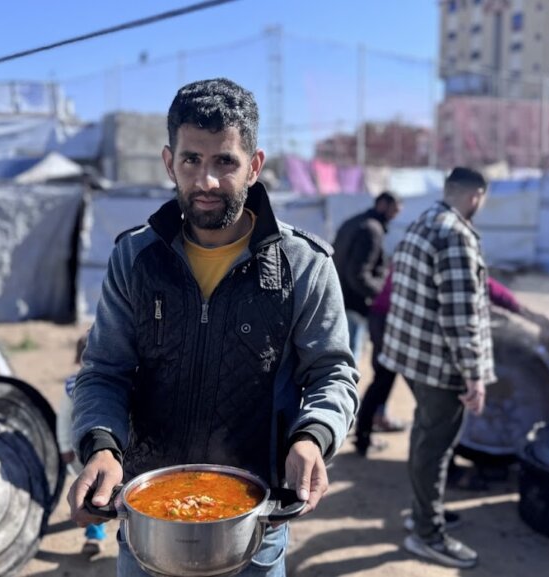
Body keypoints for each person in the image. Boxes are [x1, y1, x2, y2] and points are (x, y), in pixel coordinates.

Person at [66, 78, 359, 577]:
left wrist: (313, 437)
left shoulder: (305, 265)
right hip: (148, 519)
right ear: (169, 163)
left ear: (254, 165)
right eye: (191, 160)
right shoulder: (134, 258)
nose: (206, 181)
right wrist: (101, 445)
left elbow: (332, 373)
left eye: (225, 161)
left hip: (255, 524)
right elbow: (104, 370)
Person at [379, 166, 495, 569]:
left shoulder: (423, 221)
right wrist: (474, 374)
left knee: (426, 438)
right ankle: (427, 533)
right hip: (441, 366)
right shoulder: (456, 235)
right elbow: (460, 317)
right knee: (436, 447)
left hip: (414, 356)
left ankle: (423, 513)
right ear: (476, 195)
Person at [355, 273, 549, 457]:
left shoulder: (418, 253)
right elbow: (483, 288)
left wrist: (524, 313)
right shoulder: (448, 260)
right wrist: (524, 313)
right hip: (393, 321)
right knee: (423, 394)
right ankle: (435, 459)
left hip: (387, 318)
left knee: (386, 381)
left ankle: (363, 438)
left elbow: (487, 289)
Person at [332, 191, 402, 365]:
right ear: (383, 205)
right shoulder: (371, 229)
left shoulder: (353, 222)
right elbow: (359, 274)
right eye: (394, 211)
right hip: (353, 303)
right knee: (348, 360)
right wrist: (378, 293)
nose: (394, 216)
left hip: (338, 297)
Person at [56, 334, 106, 557]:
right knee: (92, 494)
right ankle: (94, 535)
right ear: (79, 359)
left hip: (114, 453)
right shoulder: (72, 386)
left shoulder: (115, 384)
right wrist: (64, 446)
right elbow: (64, 419)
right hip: (82, 453)